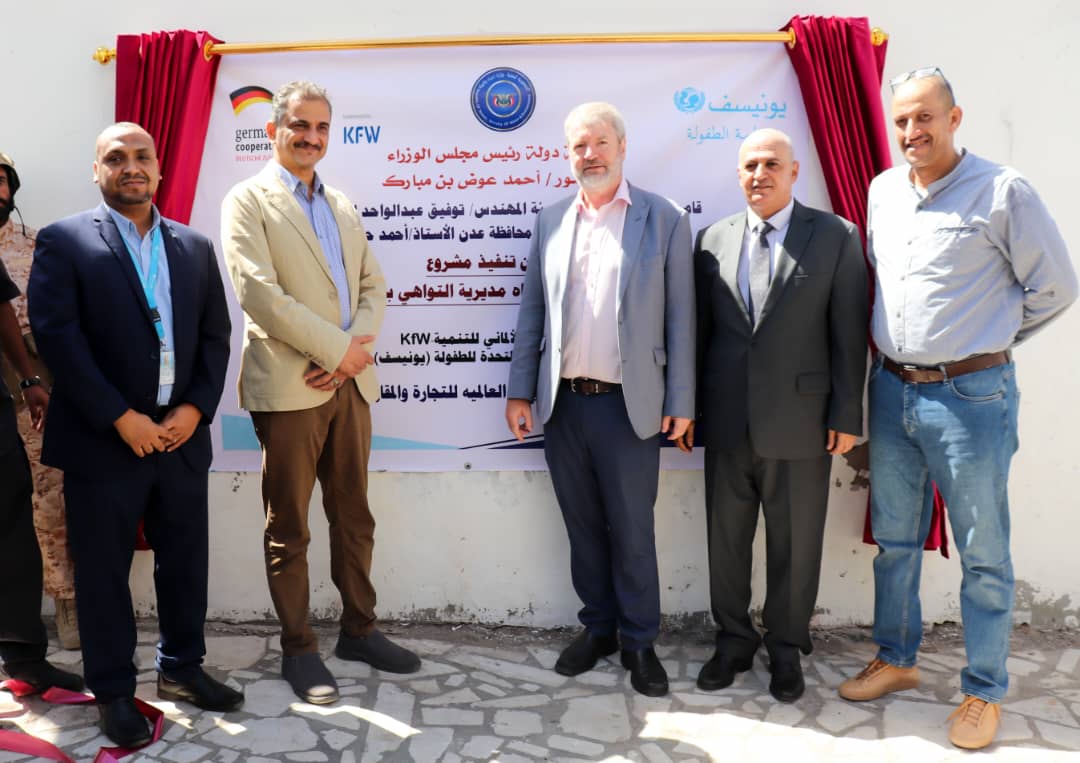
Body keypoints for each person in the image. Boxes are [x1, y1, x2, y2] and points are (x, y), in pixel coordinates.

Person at [837, 68, 1077, 750]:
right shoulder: (884, 190)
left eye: (925, 117)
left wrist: (987, 341)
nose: (912, 131)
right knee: (895, 541)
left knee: (983, 552)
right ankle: (897, 657)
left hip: (971, 399)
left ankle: (983, 690)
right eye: (902, 120)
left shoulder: (1003, 191)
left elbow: (1056, 287)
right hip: (891, 391)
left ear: (954, 117)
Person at [28, 123, 242, 747]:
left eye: (141, 155)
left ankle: (182, 669)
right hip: (104, 441)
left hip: (179, 437)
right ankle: (114, 693)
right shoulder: (65, 241)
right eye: (115, 157)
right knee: (102, 572)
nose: (131, 166)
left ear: (158, 167)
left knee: (185, 563)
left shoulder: (194, 246)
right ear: (97, 170)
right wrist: (121, 418)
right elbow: (58, 337)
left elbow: (216, 336)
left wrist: (196, 409)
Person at [221, 80, 418, 706]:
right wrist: (336, 353)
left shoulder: (340, 204)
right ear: (274, 129)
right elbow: (259, 295)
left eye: (322, 127)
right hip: (290, 387)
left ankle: (359, 631)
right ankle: (299, 648)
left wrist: (348, 356)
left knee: (354, 514)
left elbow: (372, 285)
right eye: (300, 125)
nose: (311, 137)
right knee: (290, 526)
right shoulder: (247, 200)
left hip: (349, 384)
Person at [505, 101, 695, 697]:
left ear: (622, 146)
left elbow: (682, 318)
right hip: (564, 406)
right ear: (567, 155)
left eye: (599, 143)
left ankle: (639, 642)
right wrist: (519, 390)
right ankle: (598, 629)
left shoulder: (664, 219)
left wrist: (682, 400)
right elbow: (532, 311)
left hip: (629, 407)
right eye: (578, 146)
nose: (590, 155)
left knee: (633, 531)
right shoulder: (550, 220)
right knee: (583, 528)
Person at [679, 128, 868, 703]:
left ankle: (786, 647)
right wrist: (688, 409)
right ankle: (733, 641)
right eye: (749, 166)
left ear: (793, 172)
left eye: (770, 164)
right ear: (738, 175)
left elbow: (848, 332)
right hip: (727, 422)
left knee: (795, 543)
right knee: (726, 543)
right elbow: (700, 335)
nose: (759, 174)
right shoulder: (712, 239)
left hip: (803, 423)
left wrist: (847, 413)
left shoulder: (835, 236)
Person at [0, 151, 80, 651]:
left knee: (48, 498)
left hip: (32, 387)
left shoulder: (38, 247)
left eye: (1, 179)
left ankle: (66, 602)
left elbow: (56, 316)